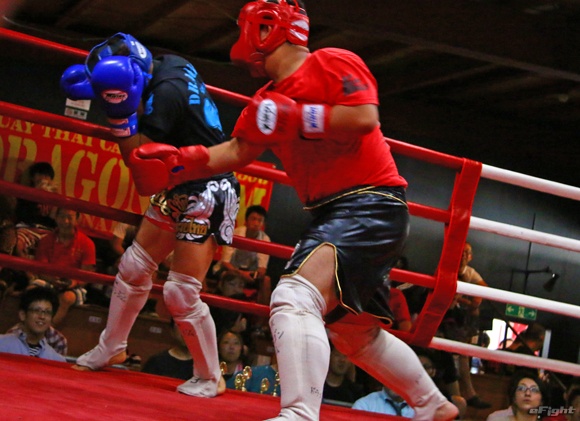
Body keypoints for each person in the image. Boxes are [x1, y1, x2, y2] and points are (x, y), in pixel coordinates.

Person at [129, 1, 458, 419]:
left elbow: (364, 116)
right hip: (341, 212)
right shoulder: (265, 100)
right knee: (353, 334)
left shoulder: (331, 62)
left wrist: (300, 116)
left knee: (294, 295)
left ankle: (300, 413)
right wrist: (180, 161)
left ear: (267, 30)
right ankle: (433, 405)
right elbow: (236, 151)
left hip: (370, 202)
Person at [61, 32, 240, 399]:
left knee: (180, 291)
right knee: (133, 267)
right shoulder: (169, 63)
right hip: (180, 180)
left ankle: (210, 376)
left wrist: (118, 111)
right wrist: (107, 88)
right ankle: (112, 347)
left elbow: (142, 171)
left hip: (209, 188)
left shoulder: (166, 95)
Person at [440, 242, 491, 409]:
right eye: (460, 252)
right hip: (441, 318)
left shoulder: (469, 272)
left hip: (456, 318)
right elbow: (445, 295)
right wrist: (465, 301)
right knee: (455, 354)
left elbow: (483, 289)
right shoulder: (446, 268)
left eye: (466, 253)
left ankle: (466, 395)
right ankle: (462, 396)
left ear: (470, 257)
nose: (463, 255)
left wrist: (473, 302)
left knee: (463, 353)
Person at [32, 208, 96, 326]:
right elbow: (41, 269)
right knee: (32, 290)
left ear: (77, 219)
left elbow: (86, 276)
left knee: (66, 298)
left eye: (69, 217)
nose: (65, 221)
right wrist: (52, 279)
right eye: (62, 216)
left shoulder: (87, 243)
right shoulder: (46, 240)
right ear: (56, 218)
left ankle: (46, 328)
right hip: (50, 280)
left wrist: (72, 283)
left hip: (74, 286)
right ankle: (28, 325)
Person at [216, 205, 272, 305]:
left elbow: (262, 269)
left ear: (263, 224)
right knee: (227, 274)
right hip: (232, 269)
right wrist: (242, 274)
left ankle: (261, 314)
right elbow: (225, 262)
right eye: (253, 219)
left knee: (266, 280)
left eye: (260, 220)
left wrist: (253, 275)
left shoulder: (265, 239)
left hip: (251, 274)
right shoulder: (235, 233)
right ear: (246, 221)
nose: (256, 223)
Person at [0, 286, 66, 362]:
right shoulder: (2, 344)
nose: (42, 316)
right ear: (22, 315)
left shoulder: (56, 360)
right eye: (36, 310)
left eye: (47, 312)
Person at [14, 162, 58, 260]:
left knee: (54, 249)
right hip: (26, 228)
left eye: (47, 175)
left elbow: (56, 223)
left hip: (47, 231)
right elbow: (22, 215)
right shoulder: (25, 194)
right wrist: (35, 195)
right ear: (32, 178)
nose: (43, 178)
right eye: (40, 174)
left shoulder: (55, 198)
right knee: (18, 244)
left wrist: (54, 203)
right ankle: (26, 269)